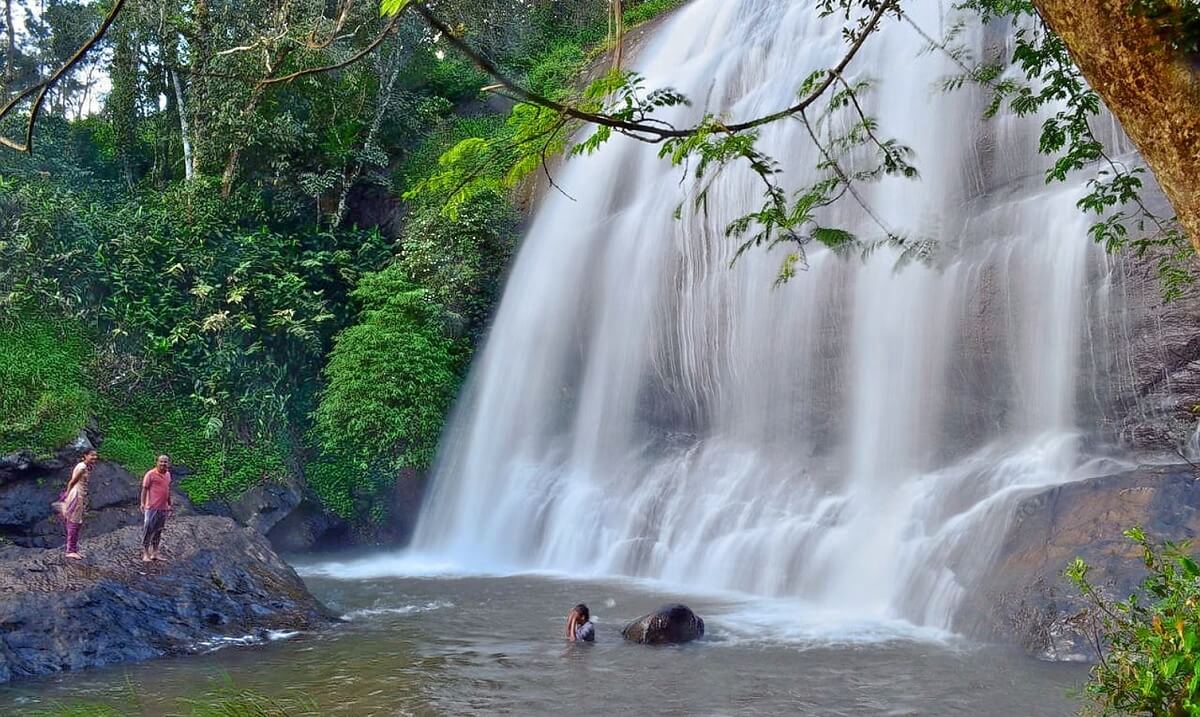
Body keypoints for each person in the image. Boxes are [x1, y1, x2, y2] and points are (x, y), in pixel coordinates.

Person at [62, 449, 97, 560]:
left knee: (74, 521)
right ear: (85, 456)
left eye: (96, 455)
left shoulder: (85, 466)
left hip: (80, 495)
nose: (94, 457)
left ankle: (72, 548)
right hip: (76, 495)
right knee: (75, 522)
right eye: (92, 455)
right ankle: (70, 550)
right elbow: (72, 482)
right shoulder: (82, 468)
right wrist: (67, 497)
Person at [140, 455, 173, 563]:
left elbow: (167, 489)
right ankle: (145, 553)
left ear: (168, 463)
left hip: (163, 507)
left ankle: (155, 553)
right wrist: (142, 503)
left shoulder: (168, 474)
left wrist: (169, 504)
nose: (163, 464)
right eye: (161, 462)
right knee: (148, 529)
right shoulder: (150, 474)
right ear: (157, 462)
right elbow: (144, 489)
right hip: (151, 507)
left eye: (165, 462)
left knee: (158, 531)